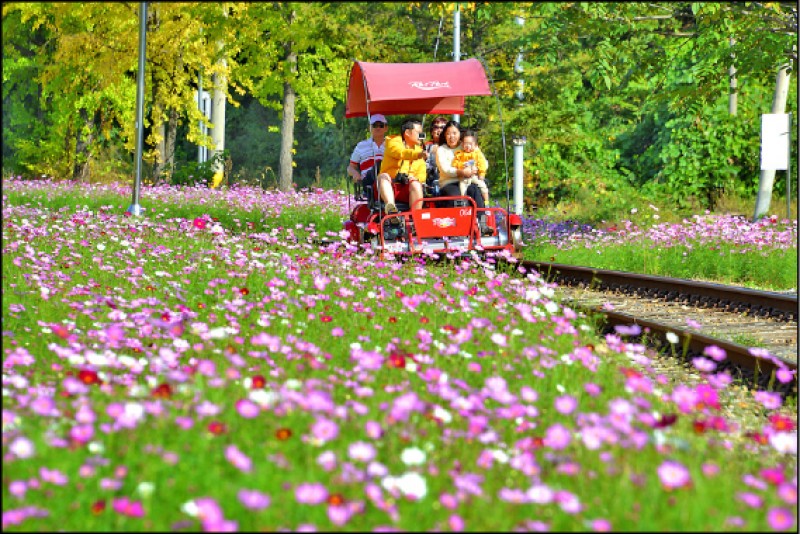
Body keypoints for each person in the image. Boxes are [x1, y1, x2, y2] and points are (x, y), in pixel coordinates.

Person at [435, 120, 491, 235]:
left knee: (475, 190)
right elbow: (445, 169)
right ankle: (456, 228)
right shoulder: (441, 150)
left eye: (454, 133)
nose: (451, 137)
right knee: (455, 196)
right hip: (449, 182)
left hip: (468, 179)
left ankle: (483, 223)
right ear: (445, 135)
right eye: (448, 134)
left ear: (460, 134)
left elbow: (482, 160)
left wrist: (477, 170)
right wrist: (461, 172)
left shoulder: (467, 145)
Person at [376, 118, 427, 214]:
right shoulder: (393, 142)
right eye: (418, 133)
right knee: (383, 176)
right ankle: (391, 209)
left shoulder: (419, 150)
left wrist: (414, 178)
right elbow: (401, 153)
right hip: (391, 185)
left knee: (416, 183)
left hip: (408, 188)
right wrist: (418, 155)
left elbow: (422, 174)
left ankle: (415, 218)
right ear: (407, 132)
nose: (421, 136)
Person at [346, 114, 388, 192]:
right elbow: (351, 167)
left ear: (386, 128)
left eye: (381, 125)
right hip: (369, 183)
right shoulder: (361, 145)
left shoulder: (392, 145)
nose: (378, 128)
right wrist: (355, 174)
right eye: (375, 125)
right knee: (378, 167)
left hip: (389, 180)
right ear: (370, 128)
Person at [451, 129, 489, 204]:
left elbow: (482, 164)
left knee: (483, 186)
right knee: (462, 190)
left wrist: (481, 173)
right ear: (462, 145)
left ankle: (486, 202)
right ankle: (464, 205)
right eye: (465, 144)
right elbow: (455, 163)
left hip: (475, 176)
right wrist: (462, 165)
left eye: (470, 144)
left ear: (475, 145)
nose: (467, 146)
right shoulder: (460, 154)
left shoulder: (477, 154)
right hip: (464, 177)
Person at [424, 116, 448, 196]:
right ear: (432, 131)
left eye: (442, 127)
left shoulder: (451, 146)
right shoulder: (426, 146)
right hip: (429, 178)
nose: (439, 130)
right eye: (436, 127)